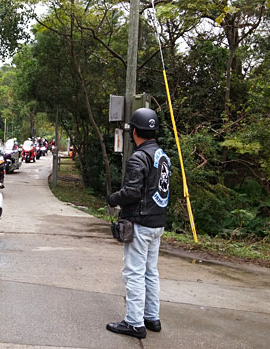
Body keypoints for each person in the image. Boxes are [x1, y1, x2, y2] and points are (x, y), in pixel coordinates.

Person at [106, 108, 171, 339]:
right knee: (151, 272)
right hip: (157, 223)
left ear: (134, 131)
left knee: (134, 273)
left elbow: (132, 192)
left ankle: (134, 323)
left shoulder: (138, 157)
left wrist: (113, 198)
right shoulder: (162, 156)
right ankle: (151, 317)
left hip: (140, 224)